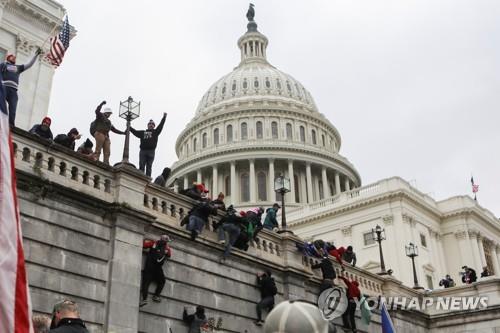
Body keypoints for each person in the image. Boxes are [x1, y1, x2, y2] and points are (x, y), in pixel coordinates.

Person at [1, 48, 42, 126]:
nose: (14, 58)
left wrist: (36, 55)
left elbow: (29, 64)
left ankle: (11, 125)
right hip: (4, 88)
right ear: (8, 58)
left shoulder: (18, 68)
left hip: (13, 91)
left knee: (13, 109)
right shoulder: (3, 65)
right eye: (12, 56)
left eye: (15, 57)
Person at [140, 235, 172, 307]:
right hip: (158, 269)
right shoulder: (167, 248)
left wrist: (145, 239)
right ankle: (156, 296)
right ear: (166, 241)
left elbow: (143, 245)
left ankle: (144, 299)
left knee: (145, 284)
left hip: (149, 267)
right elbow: (169, 255)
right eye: (167, 241)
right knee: (162, 281)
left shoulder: (153, 243)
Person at [90, 101, 125, 165]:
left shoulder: (109, 122)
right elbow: (97, 111)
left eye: (110, 114)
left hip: (106, 136)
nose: (109, 115)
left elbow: (114, 129)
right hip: (99, 133)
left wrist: (123, 133)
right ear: (106, 112)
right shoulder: (100, 116)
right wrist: (101, 104)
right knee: (98, 149)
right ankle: (96, 158)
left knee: (107, 151)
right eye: (109, 113)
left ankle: (106, 162)